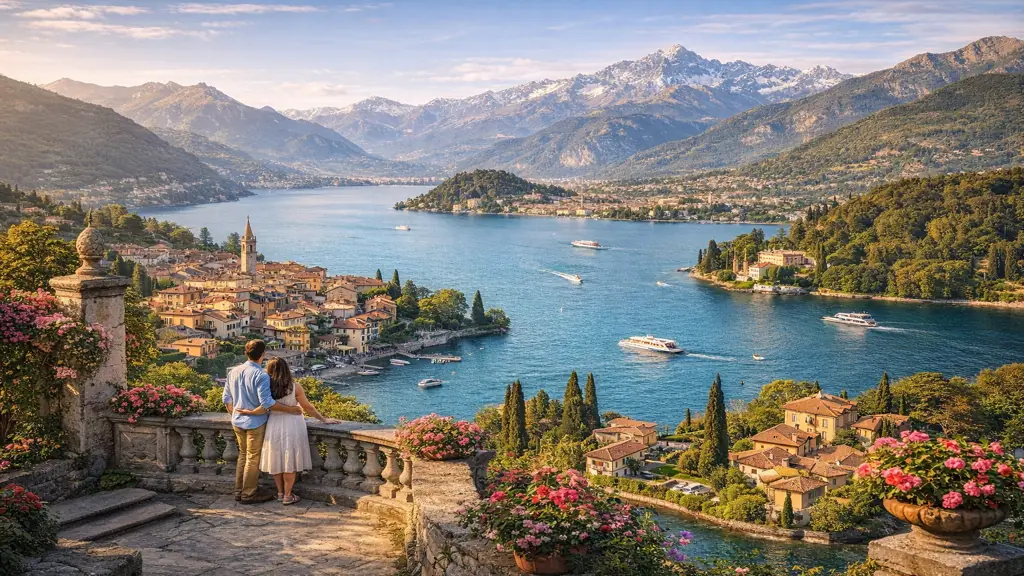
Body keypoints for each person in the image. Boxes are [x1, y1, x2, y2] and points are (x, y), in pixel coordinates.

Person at [239, 357, 339, 504]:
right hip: (292, 425)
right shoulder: (295, 387)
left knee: (277, 459)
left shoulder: (268, 387)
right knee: (289, 459)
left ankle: (280, 493)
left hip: (274, 424)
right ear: (286, 369)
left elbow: (263, 406)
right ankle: (288, 495)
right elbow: (308, 407)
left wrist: (251, 413)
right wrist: (323, 419)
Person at [222, 340, 303, 504]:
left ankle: (239, 491)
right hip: (255, 422)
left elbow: (226, 399)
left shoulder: (234, 371)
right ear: (263, 354)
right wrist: (291, 409)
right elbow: (267, 402)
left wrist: (234, 414)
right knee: (252, 458)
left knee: (243, 456)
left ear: (246, 353)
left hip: (237, 421)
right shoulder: (261, 375)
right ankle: (249, 494)